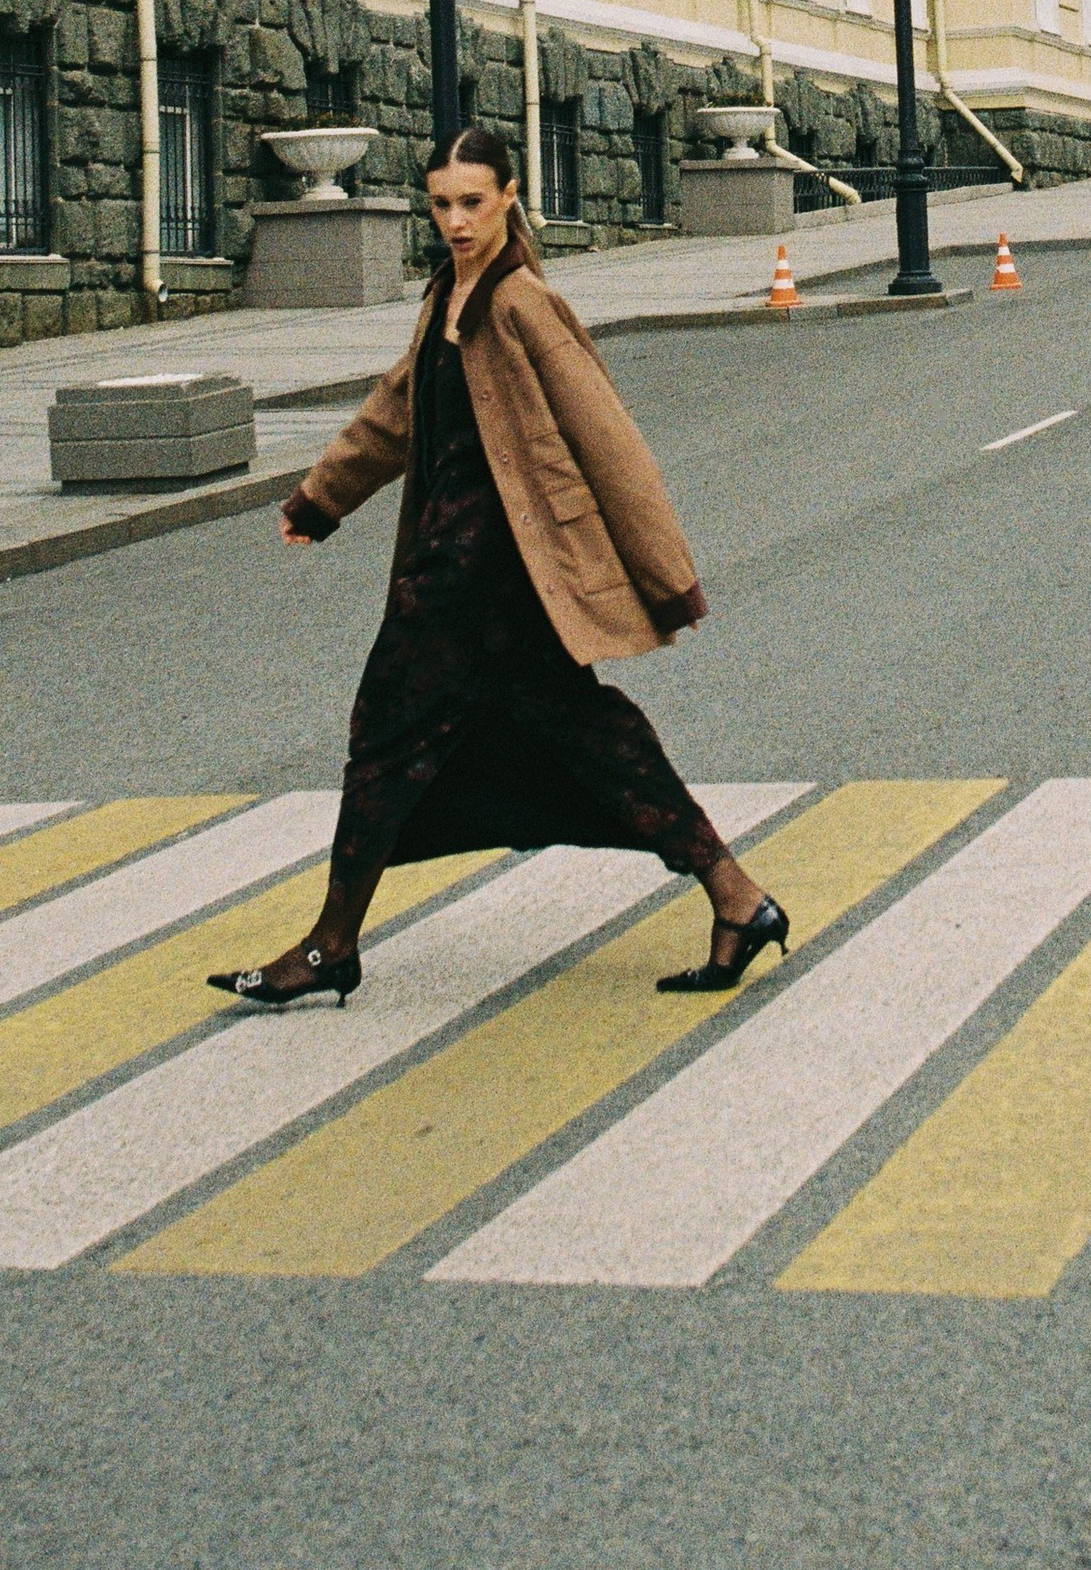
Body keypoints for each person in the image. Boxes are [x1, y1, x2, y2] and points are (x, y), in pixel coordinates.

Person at [208, 123, 784, 1010]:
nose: (455, 220)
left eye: (472, 202)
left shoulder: (520, 302)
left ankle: (331, 945)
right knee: (592, 739)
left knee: (387, 737)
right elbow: (399, 407)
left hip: (487, 579)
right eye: (441, 205)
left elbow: (611, 441)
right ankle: (737, 898)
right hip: (463, 570)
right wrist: (321, 499)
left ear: (510, 196)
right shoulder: (450, 291)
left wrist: (666, 574)